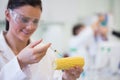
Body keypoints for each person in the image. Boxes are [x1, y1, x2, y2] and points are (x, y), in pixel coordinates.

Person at [0, 0, 83, 80]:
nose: (30, 27)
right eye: (24, 19)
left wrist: (66, 78)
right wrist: (20, 61)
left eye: (35, 21)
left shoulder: (45, 53)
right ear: (8, 15)